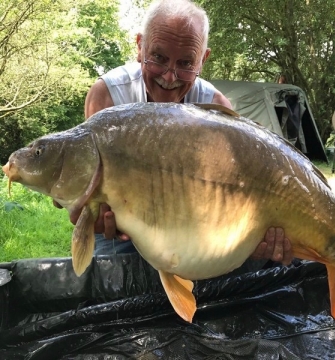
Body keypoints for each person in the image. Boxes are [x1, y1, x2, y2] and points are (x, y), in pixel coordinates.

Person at [72, 0, 293, 266]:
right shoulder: (107, 95)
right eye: (159, 58)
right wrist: (91, 215)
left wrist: (249, 238)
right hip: (123, 234)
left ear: (204, 59)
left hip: (194, 225)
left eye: (186, 63)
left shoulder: (218, 108)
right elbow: (89, 203)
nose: (169, 76)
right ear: (140, 46)